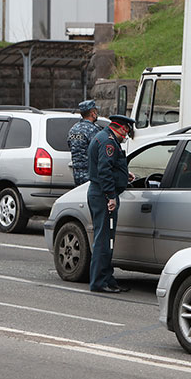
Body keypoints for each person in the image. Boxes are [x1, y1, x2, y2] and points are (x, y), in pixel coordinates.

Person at [86, 114, 135, 293]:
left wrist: (124, 176)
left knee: (108, 239)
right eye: (126, 132)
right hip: (103, 195)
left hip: (101, 193)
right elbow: (104, 170)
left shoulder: (105, 138)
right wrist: (111, 196)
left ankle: (107, 277)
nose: (126, 136)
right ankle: (99, 281)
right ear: (121, 128)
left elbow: (109, 166)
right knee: (104, 240)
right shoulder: (108, 142)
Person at [68, 100, 102, 186]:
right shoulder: (93, 130)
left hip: (77, 174)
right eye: (96, 111)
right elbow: (99, 150)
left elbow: (70, 145)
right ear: (92, 113)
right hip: (91, 173)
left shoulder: (73, 129)